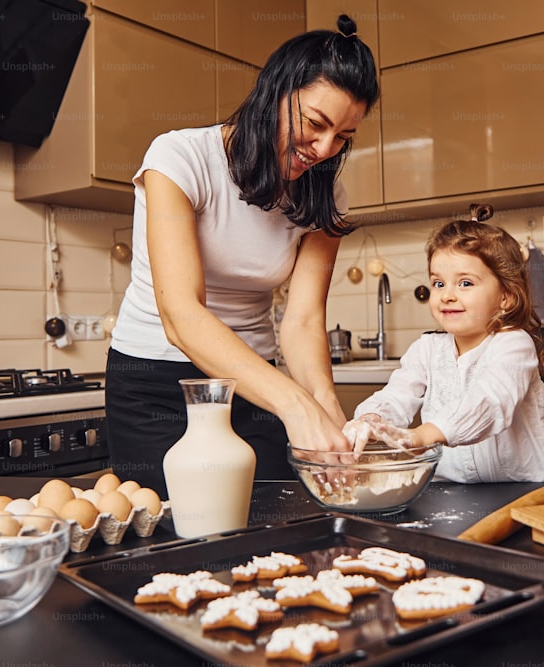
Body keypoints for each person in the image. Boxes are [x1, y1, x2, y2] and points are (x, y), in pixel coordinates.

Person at [105, 15, 380, 495]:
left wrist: (324, 405)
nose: (323, 148)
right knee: (176, 531)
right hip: (155, 382)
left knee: (273, 517)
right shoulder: (179, 158)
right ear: (275, 91)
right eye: (316, 124)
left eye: (342, 137)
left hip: (253, 385)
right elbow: (181, 315)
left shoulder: (324, 195)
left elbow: (302, 320)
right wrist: (295, 405)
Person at [343, 204, 544, 483]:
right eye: (439, 284)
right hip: (450, 491)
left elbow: (489, 401)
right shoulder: (426, 350)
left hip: (528, 492)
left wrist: (424, 434)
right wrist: (371, 419)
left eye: (465, 283)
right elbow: (397, 395)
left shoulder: (514, 345)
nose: (447, 295)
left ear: (506, 297)